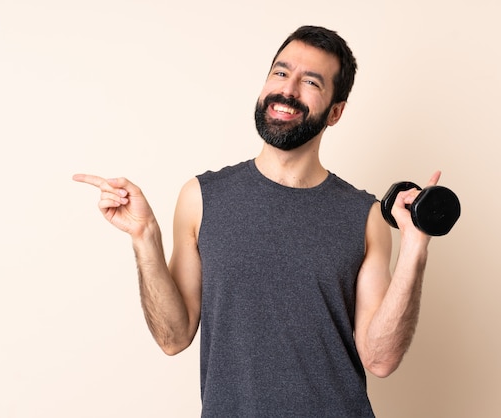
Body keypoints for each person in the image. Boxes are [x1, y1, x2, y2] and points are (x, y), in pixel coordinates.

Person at [74, 25, 440, 418]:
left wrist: (415, 248)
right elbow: (173, 337)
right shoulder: (201, 198)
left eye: (311, 81)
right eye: (280, 73)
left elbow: (380, 359)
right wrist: (145, 237)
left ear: (335, 112)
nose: (288, 90)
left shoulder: (364, 216)